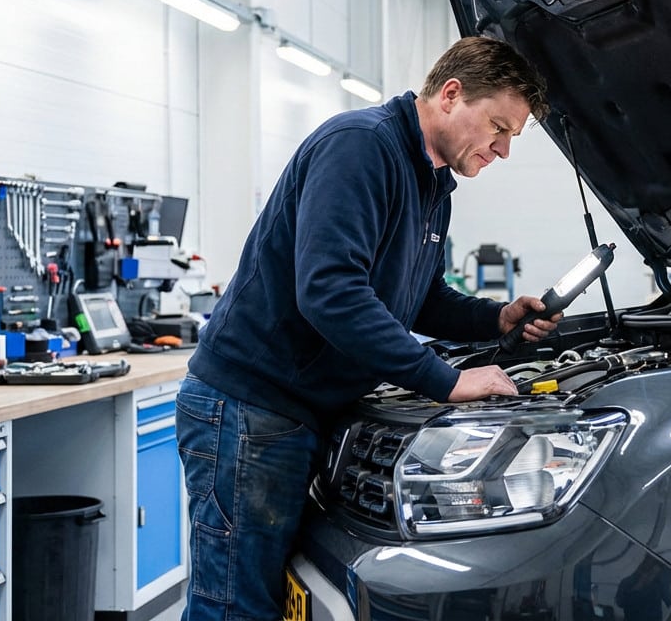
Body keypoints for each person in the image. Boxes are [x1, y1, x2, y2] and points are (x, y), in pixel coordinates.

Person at [175, 36, 557, 620]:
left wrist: (493, 318)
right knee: (235, 607)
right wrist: (445, 381)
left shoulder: (432, 183)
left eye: (512, 138)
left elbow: (419, 297)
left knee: (271, 601)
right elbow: (330, 292)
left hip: (299, 414)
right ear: (452, 95)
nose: (502, 150)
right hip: (250, 409)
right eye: (498, 128)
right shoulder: (361, 147)